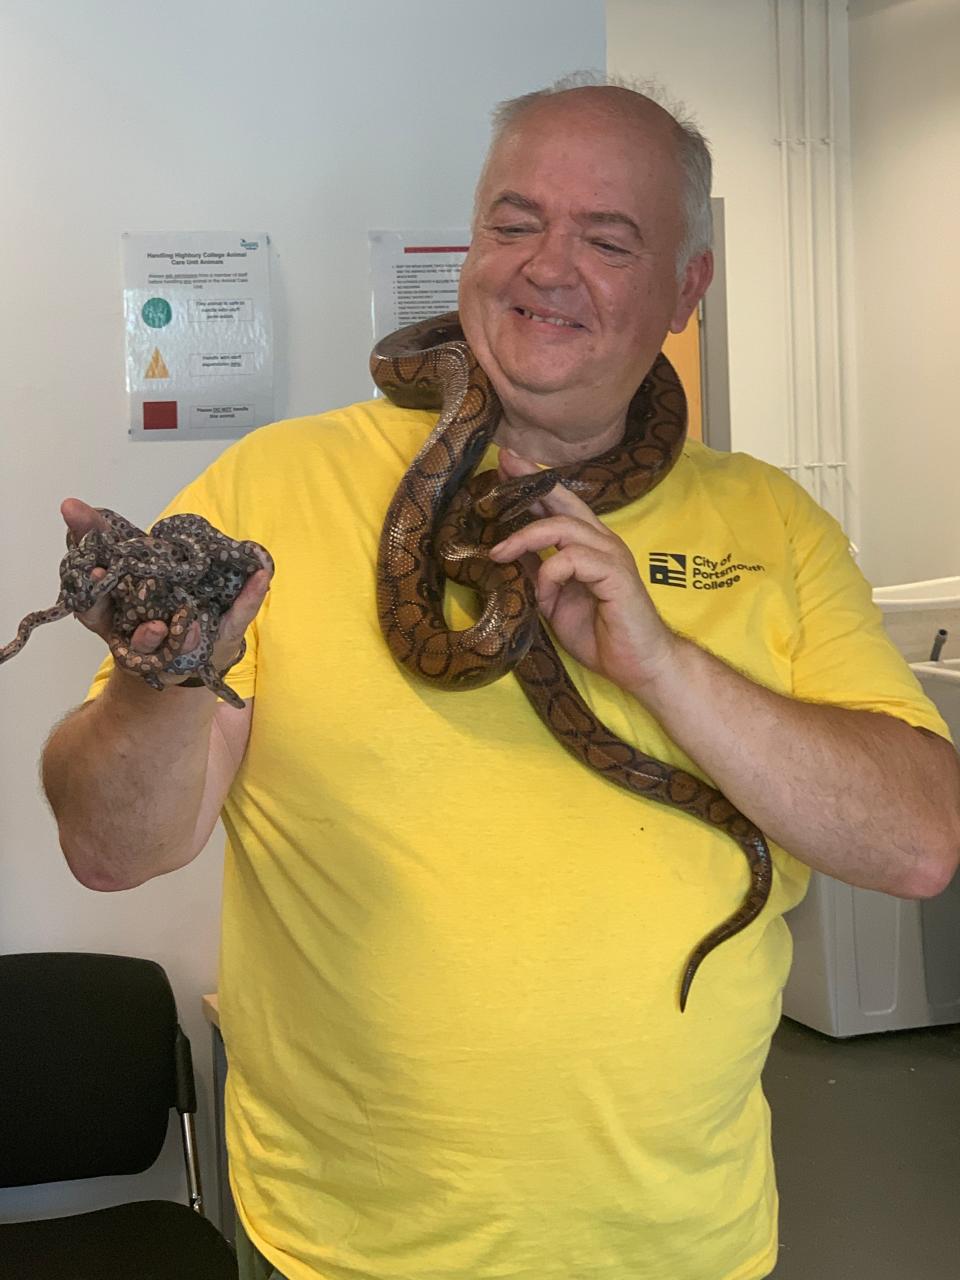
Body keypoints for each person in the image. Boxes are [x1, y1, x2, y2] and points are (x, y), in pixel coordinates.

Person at [42, 77, 960, 1280]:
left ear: (689, 286)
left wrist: (663, 666)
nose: (545, 266)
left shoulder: (775, 525)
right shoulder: (267, 491)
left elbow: (919, 843)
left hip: (681, 1245)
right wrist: (157, 675)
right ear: (470, 242)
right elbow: (115, 847)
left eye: (608, 238)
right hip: (344, 1249)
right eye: (513, 222)